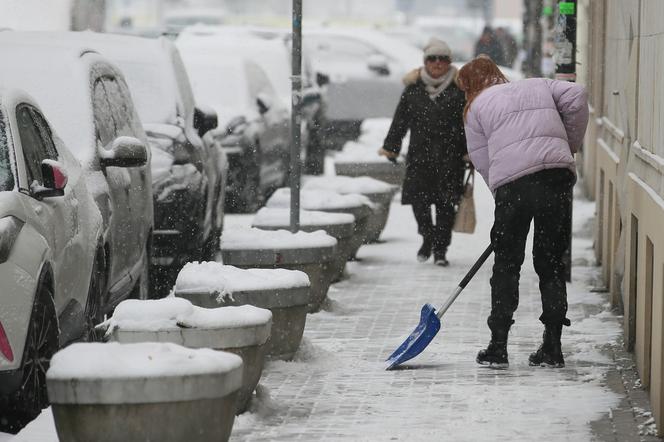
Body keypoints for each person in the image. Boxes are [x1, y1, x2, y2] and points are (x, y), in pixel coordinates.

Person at [457, 56, 589, 368]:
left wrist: (502, 196)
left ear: (468, 86)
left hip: (513, 185)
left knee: (507, 264)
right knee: (551, 261)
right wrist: (567, 144)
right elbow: (576, 94)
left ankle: (498, 346)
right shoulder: (536, 85)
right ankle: (553, 346)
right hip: (556, 177)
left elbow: (482, 160)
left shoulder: (475, 108)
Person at [378, 37, 468, 266]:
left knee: (446, 205)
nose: (437, 63)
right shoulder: (412, 90)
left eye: (443, 58)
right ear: (425, 62)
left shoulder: (460, 90)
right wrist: (391, 148)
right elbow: (400, 122)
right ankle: (427, 237)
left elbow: (470, 125)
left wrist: (471, 152)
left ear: (449, 62)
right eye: (432, 58)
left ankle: (440, 250)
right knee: (419, 203)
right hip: (420, 156)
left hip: (451, 157)